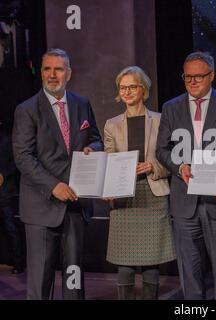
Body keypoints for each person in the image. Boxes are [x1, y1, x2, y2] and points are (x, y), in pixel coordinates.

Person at [12, 48, 103, 299]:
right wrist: (54, 186)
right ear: (41, 73)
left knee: (74, 279)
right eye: (47, 69)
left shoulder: (82, 104)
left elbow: (95, 138)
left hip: (75, 206)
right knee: (41, 282)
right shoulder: (27, 109)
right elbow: (23, 157)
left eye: (58, 69)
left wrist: (92, 148)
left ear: (69, 73)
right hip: (42, 208)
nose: (53, 75)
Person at [156, 51, 216, 299]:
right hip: (185, 204)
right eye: (188, 77)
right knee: (190, 274)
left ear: (212, 76)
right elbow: (162, 149)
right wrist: (180, 166)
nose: (193, 82)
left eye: (199, 76)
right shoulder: (171, 107)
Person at [104, 66, 176, 300]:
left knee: (151, 261)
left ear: (143, 89)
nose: (127, 91)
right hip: (125, 197)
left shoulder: (161, 120)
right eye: (123, 87)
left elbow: (171, 159)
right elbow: (109, 161)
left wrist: (153, 167)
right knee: (124, 262)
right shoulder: (111, 124)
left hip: (153, 195)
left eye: (132, 86)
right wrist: (108, 187)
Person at [0, 121, 24, 274]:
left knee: (10, 227)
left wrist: (3, 175)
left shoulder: (7, 139)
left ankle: (18, 263)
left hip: (5, 190)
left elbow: (16, 163)